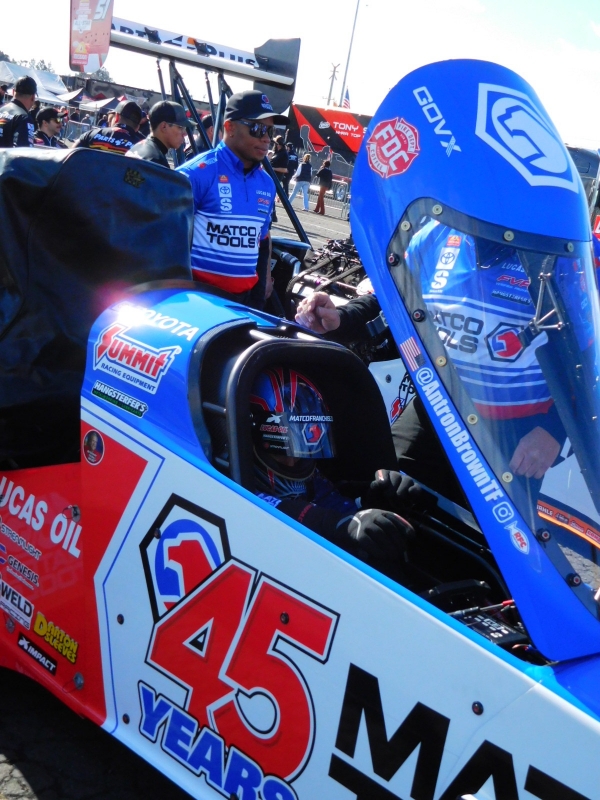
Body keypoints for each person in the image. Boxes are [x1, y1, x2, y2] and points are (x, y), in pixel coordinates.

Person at [295, 222, 565, 497]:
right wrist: (339, 319)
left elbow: (586, 363)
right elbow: (389, 301)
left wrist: (554, 430)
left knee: (487, 523)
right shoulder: (438, 230)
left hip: (516, 433)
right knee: (383, 490)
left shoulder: (557, 257)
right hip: (437, 406)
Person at [250, 365, 421, 576]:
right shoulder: (229, 485)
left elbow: (334, 504)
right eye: (282, 451)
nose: (293, 461)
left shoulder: (313, 480)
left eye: (302, 451)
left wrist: (369, 502)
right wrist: (338, 525)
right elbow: (271, 508)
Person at [176, 89, 288, 310]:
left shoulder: (266, 183)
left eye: (270, 130)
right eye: (258, 128)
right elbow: (164, 242)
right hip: (197, 300)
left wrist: (264, 283)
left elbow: (263, 238)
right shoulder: (195, 173)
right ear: (230, 127)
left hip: (245, 301)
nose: (266, 138)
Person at [127, 100, 194, 168]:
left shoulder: (139, 146)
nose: (185, 133)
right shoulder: (156, 160)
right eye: (180, 127)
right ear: (164, 126)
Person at [73, 100, 143, 154]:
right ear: (137, 127)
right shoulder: (142, 148)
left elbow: (70, 157)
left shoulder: (90, 135)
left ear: (117, 117)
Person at [0, 76, 37, 148]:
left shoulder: (1, 110)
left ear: (13, 92)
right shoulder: (24, 118)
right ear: (33, 97)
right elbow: (23, 151)